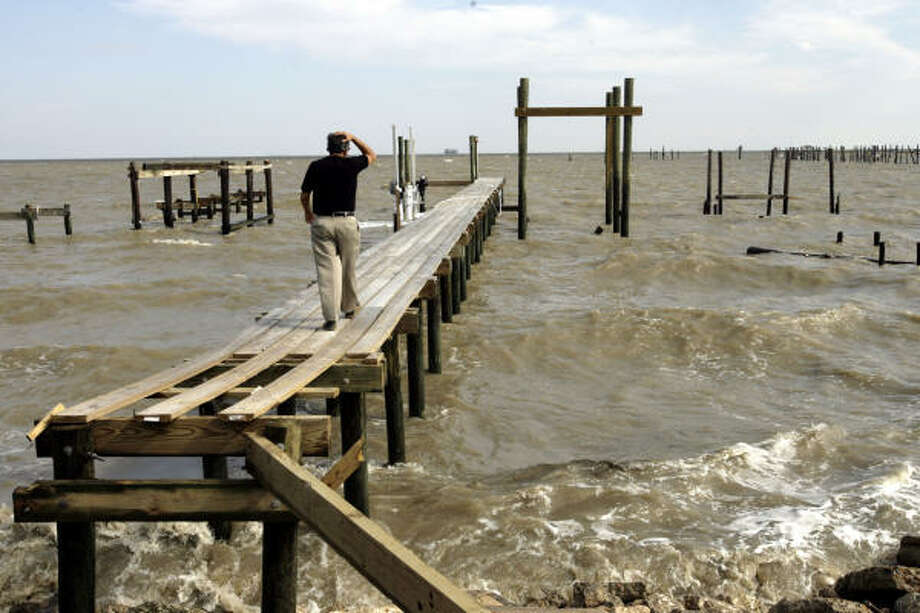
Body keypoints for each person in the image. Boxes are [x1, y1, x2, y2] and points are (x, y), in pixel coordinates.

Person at [301, 131, 376, 331]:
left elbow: (304, 194)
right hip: (346, 221)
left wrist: (308, 213)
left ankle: (331, 318)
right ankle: (349, 308)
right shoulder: (352, 165)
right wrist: (354, 137)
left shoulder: (316, 166)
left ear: (328, 148)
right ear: (345, 149)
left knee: (326, 271)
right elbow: (371, 154)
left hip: (322, 222)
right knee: (348, 267)